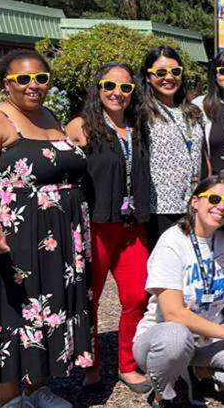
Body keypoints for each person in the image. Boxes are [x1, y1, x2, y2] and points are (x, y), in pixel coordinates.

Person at [0, 49, 93, 408]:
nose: (33, 85)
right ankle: (10, 397)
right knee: (10, 309)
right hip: (12, 233)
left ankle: (36, 388)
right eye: (23, 79)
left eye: (41, 78)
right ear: (7, 83)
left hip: (56, 237)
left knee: (46, 306)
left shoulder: (50, 117)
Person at [133, 177, 224, 408]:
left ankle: (200, 372)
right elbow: (173, 314)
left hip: (210, 338)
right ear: (195, 202)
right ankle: (164, 394)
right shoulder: (172, 242)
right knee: (175, 337)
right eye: (215, 199)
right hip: (165, 338)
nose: (222, 207)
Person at [66, 63, 151, 393]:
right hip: (95, 228)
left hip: (131, 228)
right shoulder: (81, 127)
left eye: (125, 88)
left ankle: (127, 365)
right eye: (109, 86)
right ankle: (90, 364)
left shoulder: (138, 127)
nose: (117, 93)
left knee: (137, 296)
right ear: (98, 89)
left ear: (133, 93)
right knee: (90, 300)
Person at [140, 46, 206, 248]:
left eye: (175, 72)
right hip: (159, 208)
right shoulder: (140, 112)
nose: (169, 77)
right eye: (161, 72)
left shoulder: (193, 111)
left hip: (191, 204)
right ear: (148, 76)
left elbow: (203, 157)